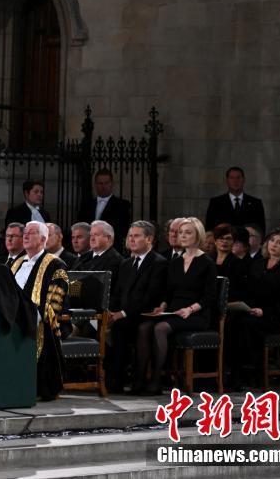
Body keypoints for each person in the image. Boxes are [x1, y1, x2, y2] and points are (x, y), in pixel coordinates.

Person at [132, 217, 217, 395]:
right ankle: (139, 380)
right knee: (144, 327)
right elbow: (168, 291)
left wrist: (190, 309)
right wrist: (162, 306)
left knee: (160, 328)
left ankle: (156, 381)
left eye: (188, 232)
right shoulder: (176, 261)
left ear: (198, 235)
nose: (182, 236)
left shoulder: (207, 262)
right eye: (180, 232)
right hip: (173, 311)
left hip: (196, 314)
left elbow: (210, 297)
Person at [225, 229, 280, 389]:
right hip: (253, 312)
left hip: (277, 317)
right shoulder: (258, 263)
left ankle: (250, 372)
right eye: (272, 241)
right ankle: (233, 371)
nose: (274, 245)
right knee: (232, 321)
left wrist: (264, 311)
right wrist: (245, 306)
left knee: (246, 325)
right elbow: (249, 290)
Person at [106, 221, 167, 393]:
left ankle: (124, 380)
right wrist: (111, 310)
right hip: (123, 314)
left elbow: (150, 297)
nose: (131, 240)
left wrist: (122, 313)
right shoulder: (126, 264)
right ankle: (112, 379)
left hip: (144, 314)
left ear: (149, 239)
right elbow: (117, 293)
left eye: (136, 236)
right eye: (130, 236)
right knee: (106, 325)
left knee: (120, 328)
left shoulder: (159, 263)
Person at [10, 220, 68, 401]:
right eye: (24, 232)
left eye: (32, 232)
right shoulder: (16, 262)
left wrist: (34, 313)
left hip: (39, 321)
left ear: (43, 239)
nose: (25, 235)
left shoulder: (55, 264)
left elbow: (55, 301)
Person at [77, 169, 132, 252]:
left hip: (110, 249)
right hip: (88, 249)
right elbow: (80, 225)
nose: (103, 186)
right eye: (100, 183)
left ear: (112, 184)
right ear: (95, 184)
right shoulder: (86, 204)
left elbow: (121, 229)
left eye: (106, 183)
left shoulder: (122, 205)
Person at [204, 166, 266, 233]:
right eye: (232, 178)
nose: (235, 181)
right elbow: (209, 229)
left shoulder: (256, 203)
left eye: (238, 177)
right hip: (224, 242)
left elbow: (261, 230)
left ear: (243, 180)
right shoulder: (216, 203)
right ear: (227, 180)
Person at [212, 223, 248, 302]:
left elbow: (239, 289)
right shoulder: (209, 260)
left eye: (228, 238)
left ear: (233, 242)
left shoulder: (238, 264)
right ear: (215, 241)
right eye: (221, 238)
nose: (224, 241)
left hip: (229, 303)